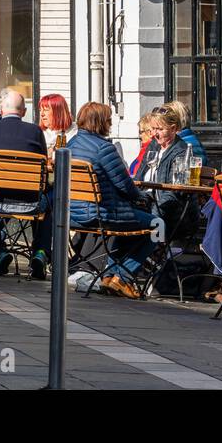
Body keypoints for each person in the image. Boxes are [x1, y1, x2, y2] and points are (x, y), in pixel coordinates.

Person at [68, 102, 161, 300]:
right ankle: (123, 276)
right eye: (109, 120)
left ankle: (110, 275)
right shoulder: (104, 149)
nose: (110, 123)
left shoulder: (70, 146)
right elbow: (125, 186)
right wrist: (143, 197)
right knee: (157, 225)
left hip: (73, 214)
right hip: (102, 214)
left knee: (131, 225)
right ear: (101, 122)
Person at [0, 90, 51, 278]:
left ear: (1, 111)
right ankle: (40, 252)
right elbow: (44, 169)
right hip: (31, 202)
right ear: (23, 111)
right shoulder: (36, 132)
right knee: (49, 203)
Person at [133, 104, 200, 241]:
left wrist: (153, 212)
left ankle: (149, 257)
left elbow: (174, 193)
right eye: (153, 129)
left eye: (160, 129)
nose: (155, 133)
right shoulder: (154, 145)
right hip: (147, 203)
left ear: (174, 128)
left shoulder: (182, 152)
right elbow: (139, 178)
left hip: (172, 213)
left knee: (138, 221)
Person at [39, 93, 77, 161]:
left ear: (58, 112)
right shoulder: (39, 133)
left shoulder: (75, 132)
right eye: (40, 110)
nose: (42, 114)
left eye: (46, 110)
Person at [128, 111, 156, 178]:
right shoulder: (144, 149)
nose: (139, 136)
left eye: (141, 132)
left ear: (150, 133)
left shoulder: (150, 150)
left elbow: (137, 173)